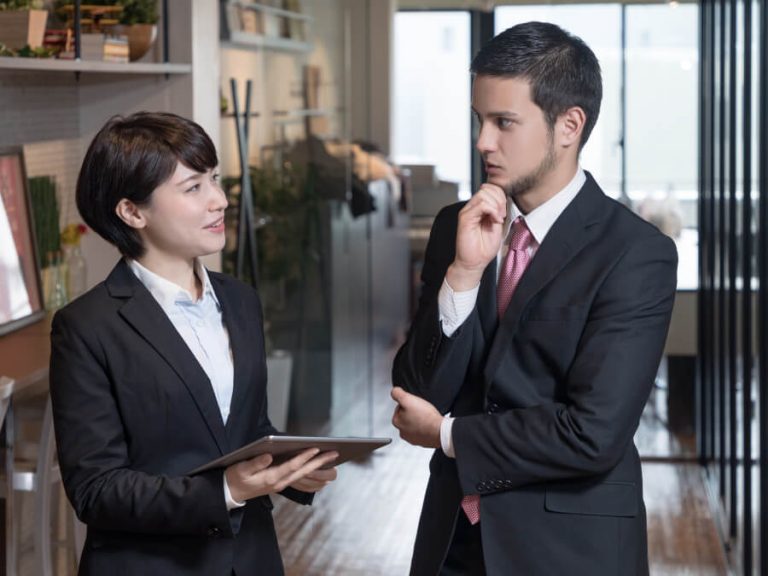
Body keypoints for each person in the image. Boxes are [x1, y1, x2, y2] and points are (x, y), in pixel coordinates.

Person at [391, 21, 677, 576]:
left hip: (569, 547)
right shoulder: (459, 225)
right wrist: (464, 275)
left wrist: (448, 435)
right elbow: (419, 389)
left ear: (568, 125)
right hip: (453, 542)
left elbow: (592, 434)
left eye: (504, 123)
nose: (482, 142)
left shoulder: (636, 253)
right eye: (479, 120)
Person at [50, 111, 338, 576]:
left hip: (252, 559)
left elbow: (245, 426)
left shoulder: (241, 301)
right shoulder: (87, 326)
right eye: (193, 188)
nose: (219, 201)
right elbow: (96, 489)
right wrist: (225, 490)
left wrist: (293, 470)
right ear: (132, 211)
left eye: (215, 180)